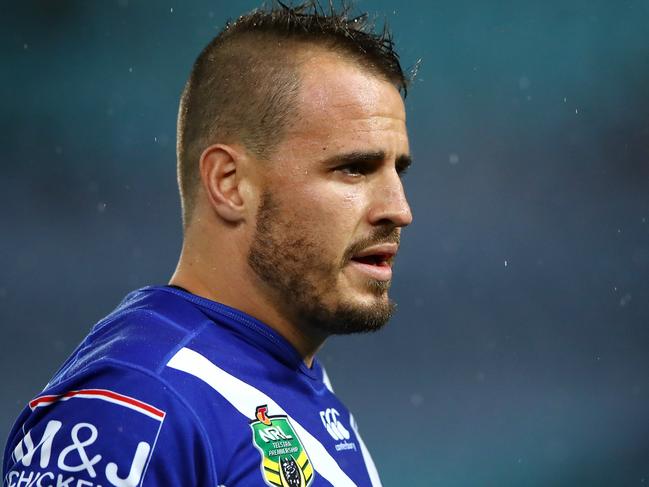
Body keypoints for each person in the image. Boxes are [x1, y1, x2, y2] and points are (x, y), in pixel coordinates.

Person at [3, 2, 413, 486]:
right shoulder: (137, 405)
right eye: (354, 168)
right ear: (229, 183)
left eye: (397, 170)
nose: (398, 208)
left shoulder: (293, 383)